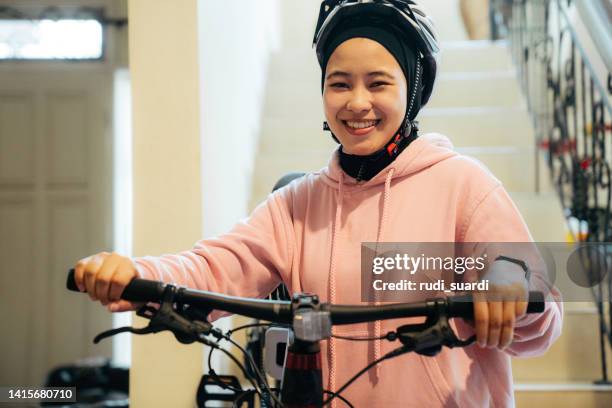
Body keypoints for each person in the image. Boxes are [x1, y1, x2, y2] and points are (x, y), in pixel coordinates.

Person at [74, 1, 562, 406]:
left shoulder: (463, 184)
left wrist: (508, 281)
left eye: (378, 82)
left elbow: (541, 309)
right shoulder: (297, 204)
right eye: (339, 82)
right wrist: (133, 273)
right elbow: (213, 267)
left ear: (411, 90)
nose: (356, 102)